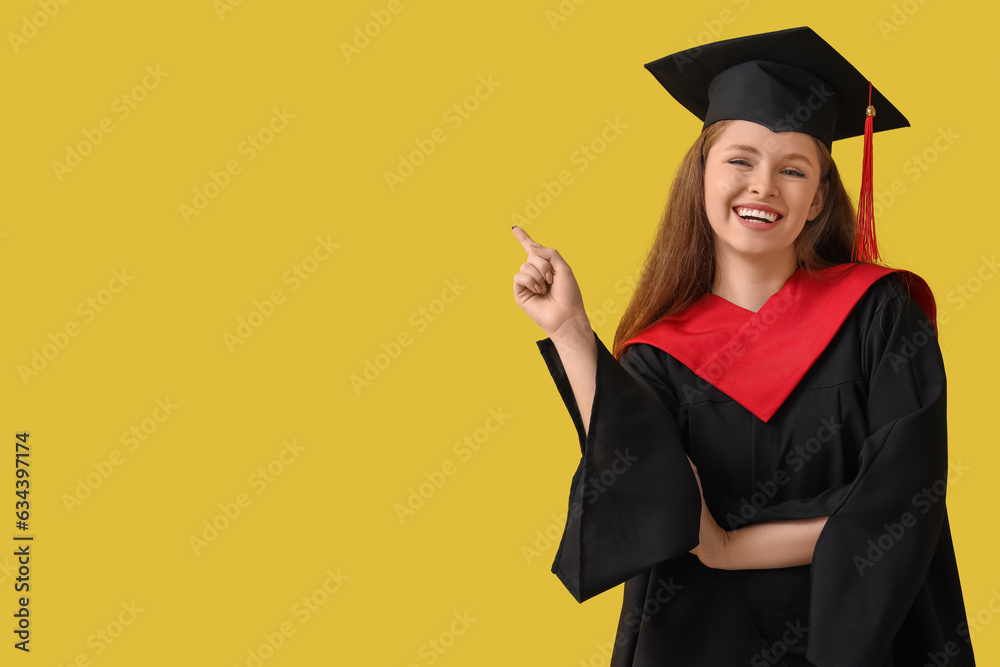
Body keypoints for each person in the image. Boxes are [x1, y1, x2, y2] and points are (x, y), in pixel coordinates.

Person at [511, 27, 975, 667]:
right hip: (699, 638)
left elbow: (903, 500)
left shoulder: (879, 314)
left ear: (817, 199)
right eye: (740, 159)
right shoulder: (661, 352)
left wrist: (730, 547)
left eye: (793, 169)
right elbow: (646, 486)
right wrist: (568, 331)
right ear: (700, 176)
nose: (764, 185)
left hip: (858, 639)